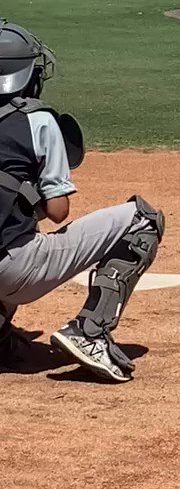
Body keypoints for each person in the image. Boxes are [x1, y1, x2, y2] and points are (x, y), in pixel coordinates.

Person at [0, 21, 165, 384]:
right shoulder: (37, 119)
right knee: (142, 218)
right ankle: (90, 332)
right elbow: (59, 212)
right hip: (13, 272)